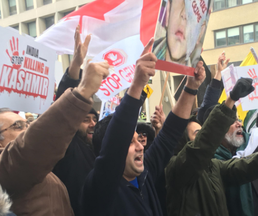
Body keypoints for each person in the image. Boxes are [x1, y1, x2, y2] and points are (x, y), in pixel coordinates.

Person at [80, 38, 206, 216]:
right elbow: (116, 141)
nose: (140, 146)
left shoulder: (144, 173)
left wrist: (191, 87)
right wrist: (137, 84)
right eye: (130, 143)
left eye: (137, 139)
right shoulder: (101, 187)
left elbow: (169, 134)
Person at [165, 77, 258, 216]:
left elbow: (247, 166)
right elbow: (201, 146)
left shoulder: (214, 166)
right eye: (198, 133)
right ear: (183, 142)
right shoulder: (177, 168)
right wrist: (231, 100)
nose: (239, 124)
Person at [0, 59, 109, 215]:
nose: (28, 128)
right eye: (18, 126)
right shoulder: (7, 168)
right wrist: (82, 92)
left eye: (27, 124)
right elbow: (38, 140)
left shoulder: (39, 169)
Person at [52, 25, 99, 216]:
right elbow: (62, 114)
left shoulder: (97, 148)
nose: (92, 124)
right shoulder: (68, 147)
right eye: (85, 119)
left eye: (94, 119)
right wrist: (75, 67)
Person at [153, 0, 211, 67]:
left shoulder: (194, 75)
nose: (185, 14)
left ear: (200, 33)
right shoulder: (143, 53)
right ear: (168, 11)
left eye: (195, 9)